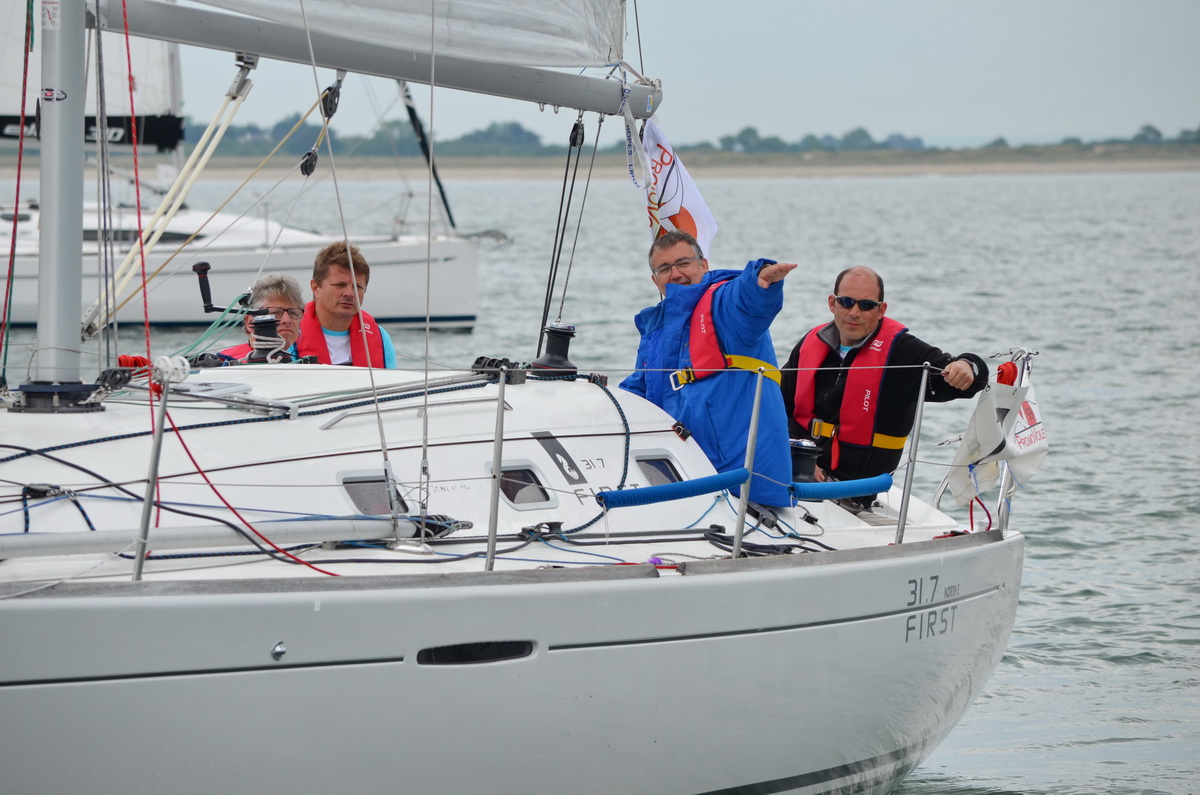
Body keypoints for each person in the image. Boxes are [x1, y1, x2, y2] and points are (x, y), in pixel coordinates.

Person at [780, 266, 988, 511]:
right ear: (832, 303)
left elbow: (963, 381)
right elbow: (778, 404)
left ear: (881, 310)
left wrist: (968, 365)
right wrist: (798, 457)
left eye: (866, 305)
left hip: (851, 489)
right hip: (797, 467)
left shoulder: (902, 352)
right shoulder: (811, 343)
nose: (854, 312)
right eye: (846, 302)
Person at [620, 231, 798, 507]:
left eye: (683, 263)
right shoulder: (655, 329)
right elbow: (637, 393)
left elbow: (748, 301)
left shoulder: (723, 303)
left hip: (740, 484)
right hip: (681, 475)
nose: (676, 274)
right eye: (664, 268)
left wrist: (761, 282)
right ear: (655, 280)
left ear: (703, 265)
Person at [297, 241, 397, 368]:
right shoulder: (289, 336)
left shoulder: (381, 338)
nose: (349, 293)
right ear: (316, 287)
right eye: (340, 285)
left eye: (357, 287)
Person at [218, 273, 305, 361]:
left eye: (293, 313)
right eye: (275, 313)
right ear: (250, 321)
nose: (287, 320)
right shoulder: (227, 365)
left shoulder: (306, 362)